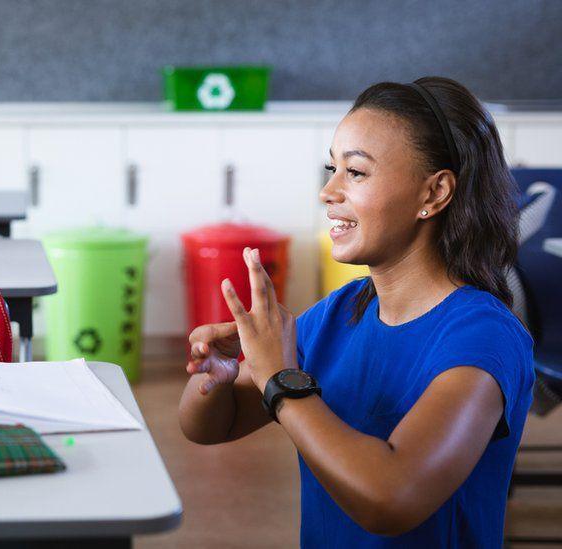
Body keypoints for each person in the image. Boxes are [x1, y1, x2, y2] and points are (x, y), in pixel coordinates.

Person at [178, 76, 533, 547]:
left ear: (434, 194)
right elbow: (210, 427)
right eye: (332, 168)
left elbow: (392, 497)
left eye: (357, 172)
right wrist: (219, 378)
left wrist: (280, 380)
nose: (328, 191)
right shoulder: (341, 312)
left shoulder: (482, 338)